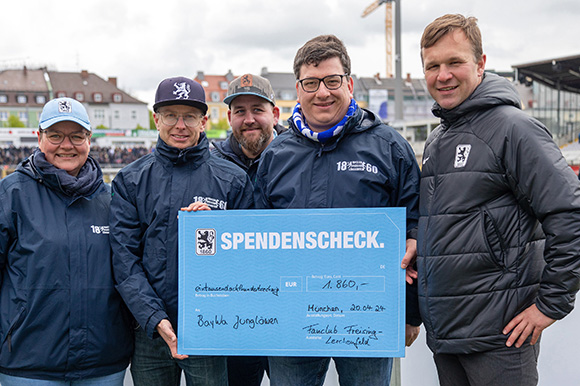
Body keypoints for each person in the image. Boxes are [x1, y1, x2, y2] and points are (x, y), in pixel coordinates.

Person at [405, 14, 580, 386]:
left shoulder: (513, 129)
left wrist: (551, 305)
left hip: (500, 338)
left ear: (481, 64)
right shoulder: (437, 140)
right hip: (448, 336)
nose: (443, 75)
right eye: (433, 66)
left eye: (455, 62)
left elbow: (571, 213)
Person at [254, 34, 422, 386]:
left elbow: (416, 230)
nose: (322, 93)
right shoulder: (275, 156)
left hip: (368, 316)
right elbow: (258, 240)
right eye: (311, 83)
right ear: (298, 89)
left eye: (332, 81)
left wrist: (410, 313)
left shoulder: (389, 147)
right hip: (292, 317)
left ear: (348, 82)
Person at [109, 76, 253, 386]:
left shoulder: (233, 180)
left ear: (204, 121)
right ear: (156, 118)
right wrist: (155, 319)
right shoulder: (130, 180)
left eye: (189, 116)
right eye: (171, 115)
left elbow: (247, 259)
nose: (180, 125)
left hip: (208, 326)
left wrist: (216, 231)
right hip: (149, 330)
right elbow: (124, 260)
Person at [0, 97, 133, 385]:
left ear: (89, 139)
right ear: (39, 137)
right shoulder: (11, 195)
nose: (66, 145)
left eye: (76, 136)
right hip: (28, 363)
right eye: (56, 135)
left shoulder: (111, 199)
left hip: (103, 363)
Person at [212, 73, 286, 183]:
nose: (249, 120)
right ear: (229, 118)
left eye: (257, 110)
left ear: (275, 115)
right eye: (240, 111)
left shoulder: (296, 159)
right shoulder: (214, 164)